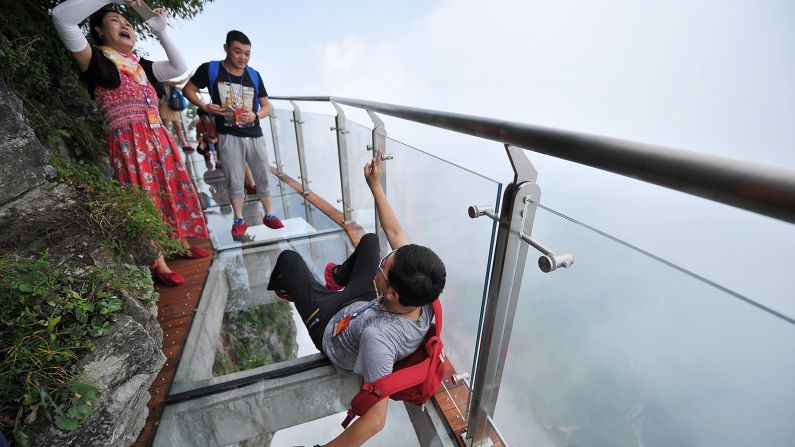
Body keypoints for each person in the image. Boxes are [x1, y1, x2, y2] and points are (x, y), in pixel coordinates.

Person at [267, 152, 447, 447]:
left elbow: (376, 421)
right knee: (372, 242)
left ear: (392, 291)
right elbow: (395, 232)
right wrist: (375, 184)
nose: (385, 260)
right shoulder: (424, 291)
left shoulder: (380, 341)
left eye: (384, 267)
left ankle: (290, 291)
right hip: (365, 306)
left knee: (288, 260)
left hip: (330, 327)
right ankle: (337, 277)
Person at [52, 0, 209, 287]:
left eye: (128, 22)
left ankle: (180, 242)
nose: (124, 24)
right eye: (114, 20)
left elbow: (179, 66)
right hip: (129, 143)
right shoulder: (94, 60)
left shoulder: (140, 65)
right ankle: (158, 261)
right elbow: (61, 18)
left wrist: (161, 32)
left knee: (171, 189)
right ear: (98, 30)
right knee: (145, 199)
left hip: (158, 137)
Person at [183, 30, 284, 237]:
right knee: (234, 178)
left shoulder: (254, 75)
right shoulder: (211, 69)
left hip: (254, 134)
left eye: (247, 53)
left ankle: (270, 214)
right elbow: (188, 90)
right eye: (238, 51)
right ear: (226, 48)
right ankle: (239, 218)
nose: (243, 57)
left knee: (263, 175)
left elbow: (267, 105)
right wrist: (205, 106)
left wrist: (256, 115)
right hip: (228, 134)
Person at [158, 77, 193, 153]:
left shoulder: (171, 84)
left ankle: (184, 144)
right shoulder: (163, 80)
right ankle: (167, 145)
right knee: (167, 127)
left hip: (173, 106)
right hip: (164, 106)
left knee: (178, 127)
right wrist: (189, 77)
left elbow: (179, 87)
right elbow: (179, 82)